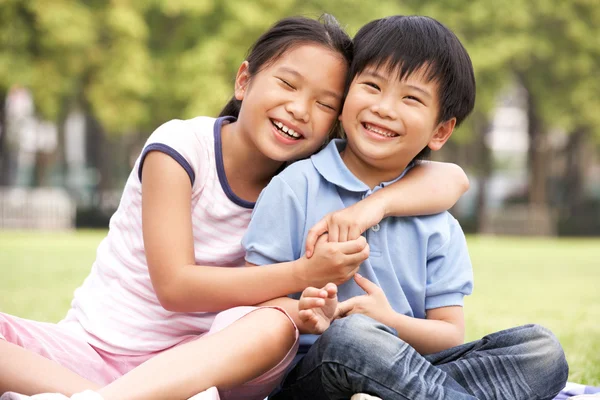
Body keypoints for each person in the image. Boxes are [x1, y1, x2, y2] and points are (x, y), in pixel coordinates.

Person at [0, 15, 470, 400]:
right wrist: (306, 273)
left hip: (215, 359)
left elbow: (452, 178)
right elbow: (176, 287)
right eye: (287, 84)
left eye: (324, 103)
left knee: (275, 325)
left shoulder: (306, 174)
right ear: (244, 79)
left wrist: (376, 206)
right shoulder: (181, 147)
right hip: (93, 348)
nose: (300, 110)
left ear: (339, 119)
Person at [242, 15, 569, 400]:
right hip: (317, 375)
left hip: (411, 371)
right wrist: (316, 316)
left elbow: (448, 334)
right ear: (345, 96)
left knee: (542, 351)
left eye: (411, 98)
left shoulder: (436, 217)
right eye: (372, 86)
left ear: (440, 131)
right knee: (354, 337)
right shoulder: (296, 186)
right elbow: (253, 299)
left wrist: (390, 322)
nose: (384, 107)